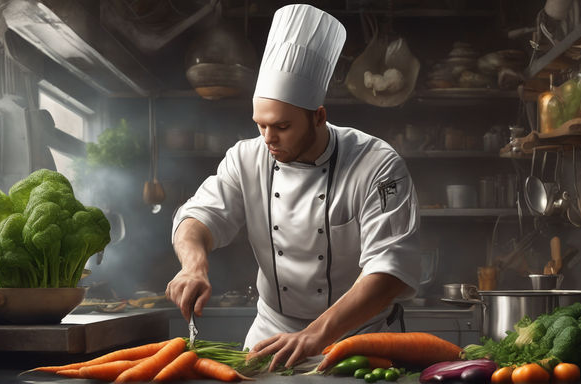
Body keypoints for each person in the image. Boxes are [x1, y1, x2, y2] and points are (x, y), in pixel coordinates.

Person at [166, 3, 421, 371]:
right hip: (270, 340)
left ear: (318, 116)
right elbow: (198, 216)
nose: (268, 138)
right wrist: (193, 266)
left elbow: (389, 271)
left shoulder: (377, 164)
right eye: (260, 125)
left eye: (282, 127)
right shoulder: (246, 158)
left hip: (358, 341)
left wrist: (316, 335)